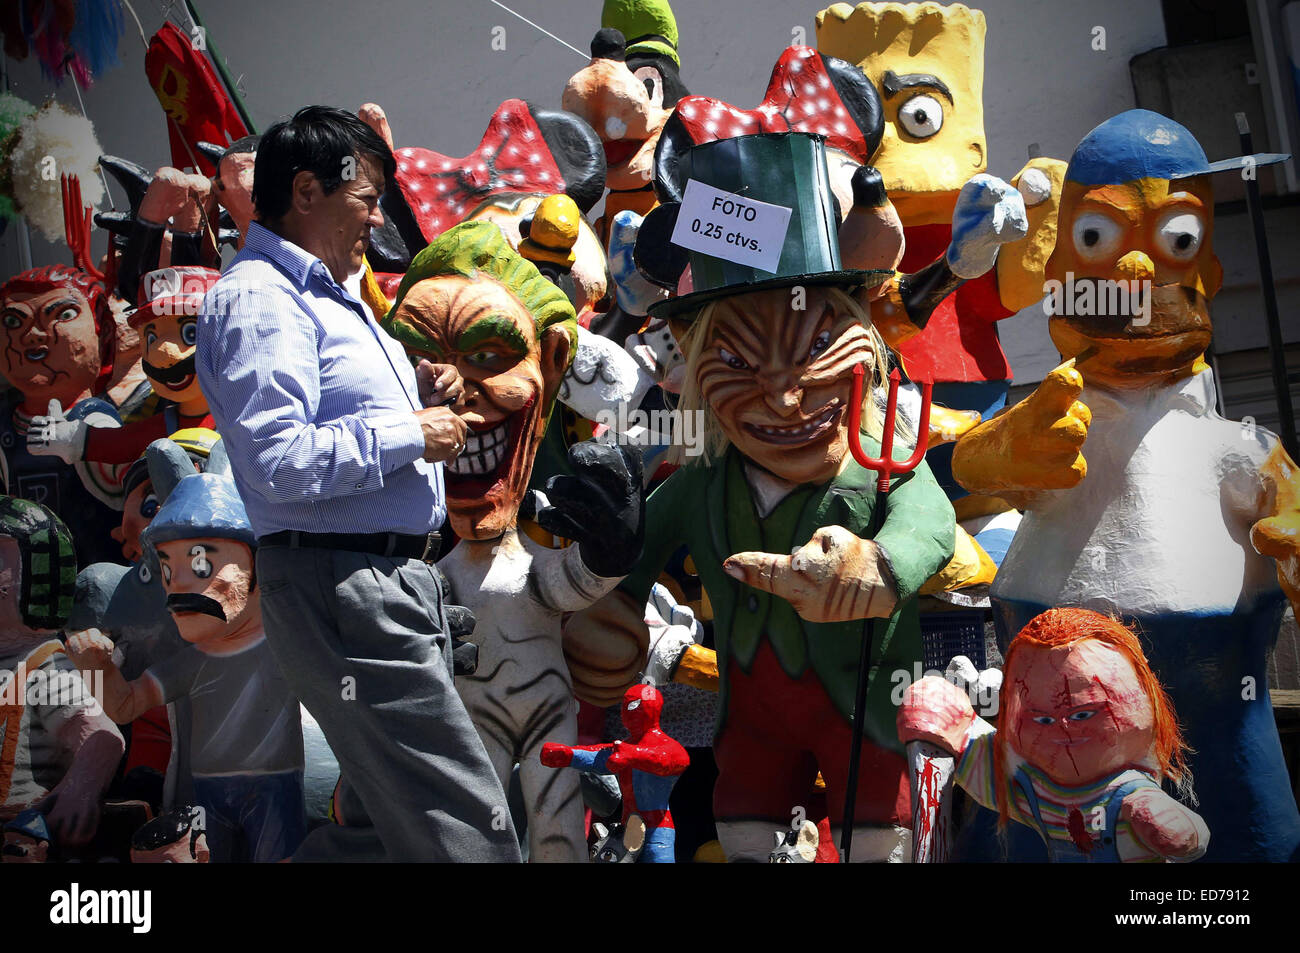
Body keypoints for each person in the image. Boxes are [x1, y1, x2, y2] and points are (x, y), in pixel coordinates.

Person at [195, 105, 520, 862]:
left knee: (386, 823)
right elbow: (278, 457)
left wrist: (418, 391)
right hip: (345, 583)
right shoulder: (261, 298)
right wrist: (415, 432)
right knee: (462, 820)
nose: (378, 217)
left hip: (370, 581)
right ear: (307, 191)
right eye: (367, 197)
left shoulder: (321, 290)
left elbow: (326, 419)